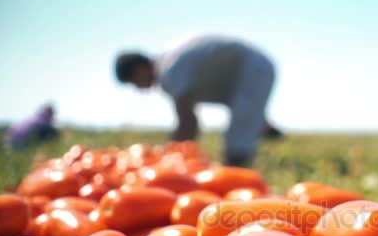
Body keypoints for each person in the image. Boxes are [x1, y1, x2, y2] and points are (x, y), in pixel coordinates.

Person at [114, 35, 283, 167]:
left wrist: (170, 157)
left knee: (237, 142)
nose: (137, 88)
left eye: (133, 81)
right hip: (242, 72)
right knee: (247, 114)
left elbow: (188, 121)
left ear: (140, 69)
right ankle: (269, 133)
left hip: (253, 68)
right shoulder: (170, 61)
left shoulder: (170, 72)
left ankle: (236, 177)